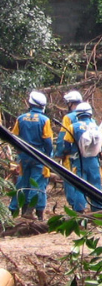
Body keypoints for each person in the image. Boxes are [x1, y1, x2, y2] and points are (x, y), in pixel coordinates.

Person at [8, 91, 53, 220]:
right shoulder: (45, 120)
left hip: (24, 156)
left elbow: (13, 136)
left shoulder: (21, 118)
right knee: (37, 184)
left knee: (22, 183)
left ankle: (13, 211)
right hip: (38, 156)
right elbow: (48, 141)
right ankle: (32, 212)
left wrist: (19, 151)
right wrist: (47, 156)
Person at [56, 90, 86, 211]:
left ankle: (75, 207)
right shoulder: (87, 115)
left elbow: (63, 137)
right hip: (85, 155)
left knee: (69, 180)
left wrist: (59, 153)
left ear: (70, 103)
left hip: (70, 155)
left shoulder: (68, 118)